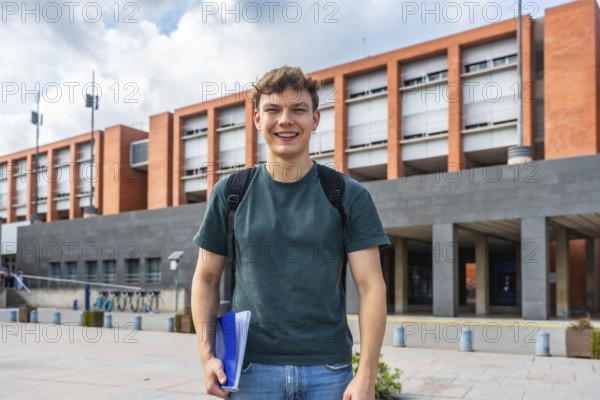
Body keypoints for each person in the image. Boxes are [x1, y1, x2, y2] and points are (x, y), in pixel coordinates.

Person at [191, 65, 390, 399]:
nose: (285, 120)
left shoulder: (348, 195)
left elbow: (371, 286)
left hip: (329, 372)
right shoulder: (230, 193)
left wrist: (366, 374)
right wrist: (207, 356)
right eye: (273, 110)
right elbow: (205, 278)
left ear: (315, 120)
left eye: (298, 110)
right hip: (251, 370)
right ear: (257, 119)